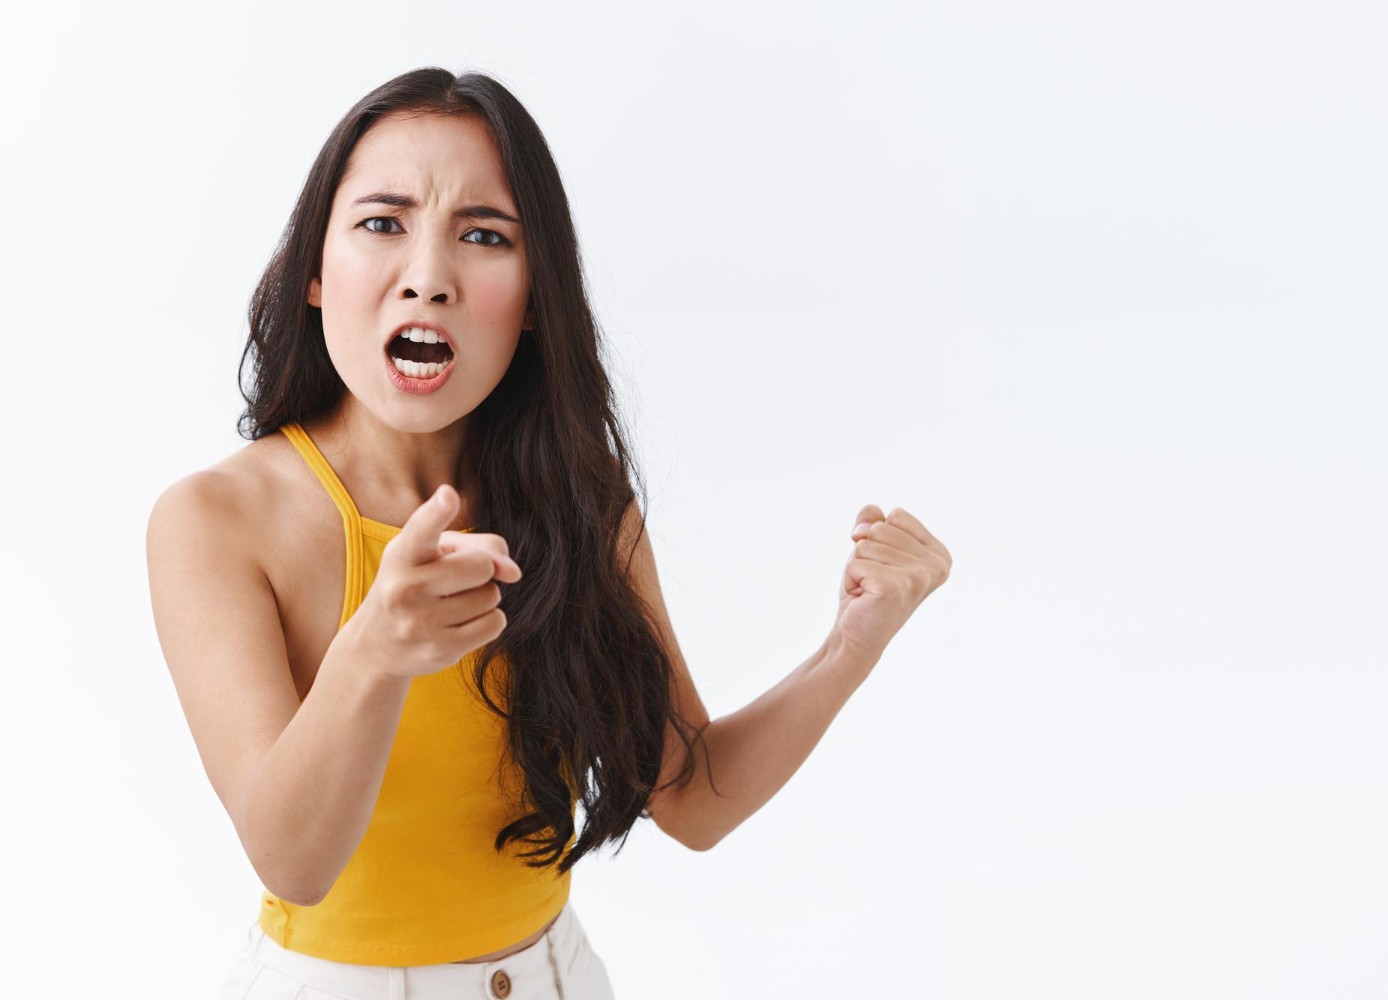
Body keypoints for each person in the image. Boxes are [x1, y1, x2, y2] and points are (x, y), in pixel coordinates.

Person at [145, 65, 953, 1000]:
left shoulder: (579, 497)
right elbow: (293, 861)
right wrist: (374, 652)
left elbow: (689, 799)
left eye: (484, 236)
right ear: (316, 273)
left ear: (533, 302)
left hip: (558, 978)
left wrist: (848, 649)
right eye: (382, 222)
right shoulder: (214, 520)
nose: (429, 276)